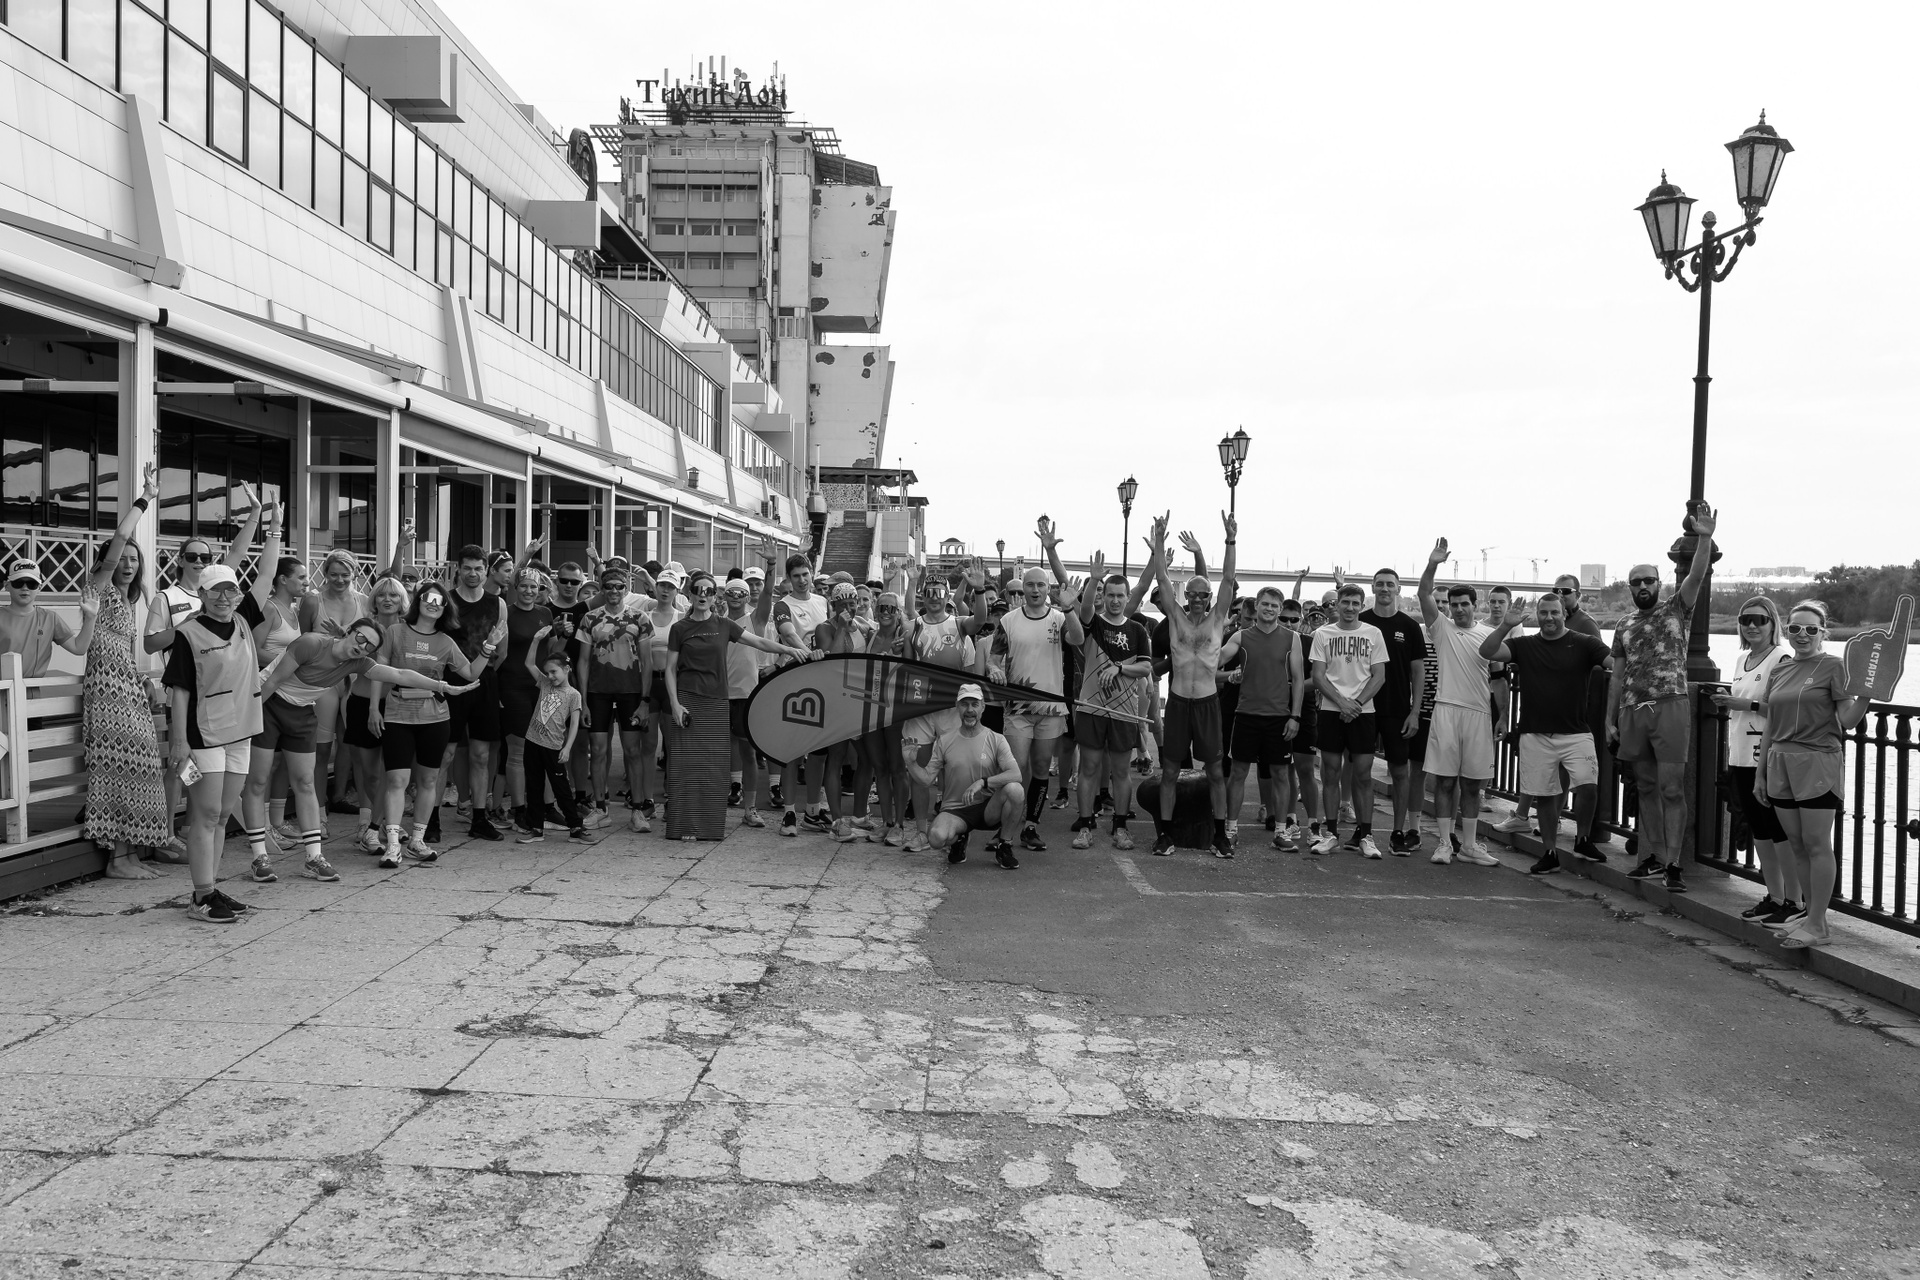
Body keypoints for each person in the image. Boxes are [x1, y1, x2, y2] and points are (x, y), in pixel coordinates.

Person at [251, 616, 474, 876]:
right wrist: (248, 721)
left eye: (369, 646)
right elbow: (272, 682)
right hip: (267, 704)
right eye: (360, 638)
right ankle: (259, 858)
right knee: (258, 781)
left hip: (301, 713)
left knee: (305, 782)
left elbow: (400, 674)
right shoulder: (311, 643)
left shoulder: (358, 663)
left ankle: (313, 858)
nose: (362, 646)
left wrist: (442, 686)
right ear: (349, 631)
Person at [1606, 502, 1716, 892]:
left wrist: (1704, 538)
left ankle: (1673, 863)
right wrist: (1609, 719)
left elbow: (1698, 574)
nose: (1643, 587)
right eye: (1636, 582)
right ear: (1630, 587)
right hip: (1633, 710)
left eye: (1648, 581)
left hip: (1670, 706)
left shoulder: (1677, 609)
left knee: (1671, 788)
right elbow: (1617, 675)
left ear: (1659, 583)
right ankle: (1652, 857)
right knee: (1647, 786)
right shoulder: (1624, 624)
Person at [1753, 600, 1871, 949]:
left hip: (1818, 762)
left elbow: (1847, 720)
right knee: (1797, 844)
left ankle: (1818, 923)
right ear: (1786, 630)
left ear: (1823, 633)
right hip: (1780, 762)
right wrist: (1761, 774)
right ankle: (1809, 916)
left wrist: (1867, 695)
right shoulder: (1781, 669)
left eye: (1810, 629)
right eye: (1795, 628)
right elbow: (1771, 724)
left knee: (1817, 844)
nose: (1802, 635)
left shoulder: (1834, 666)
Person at [662, 570, 806, 840]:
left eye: (708, 591)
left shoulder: (724, 624)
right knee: (685, 763)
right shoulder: (679, 628)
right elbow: (670, 668)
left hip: (718, 701)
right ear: (690, 594)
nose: (703, 595)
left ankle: (707, 827)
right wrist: (675, 704)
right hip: (688, 700)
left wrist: (787, 650)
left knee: (713, 766)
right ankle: (682, 824)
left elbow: (759, 641)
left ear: (714, 596)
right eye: (698, 590)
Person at [1480, 591, 1612, 875]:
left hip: (1576, 732)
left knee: (1588, 787)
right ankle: (1550, 853)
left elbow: (1613, 662)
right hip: (1535, 733)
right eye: (1544, 613)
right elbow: (1487, 652)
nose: (1549, 617)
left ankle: (1583, 840)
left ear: (1564, 614)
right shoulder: (1525, 644)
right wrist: (1505, 625)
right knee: (1545, 796)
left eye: (1554, 612)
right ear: (1537, 616)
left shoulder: (1585, 643)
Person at [81, 463, 169, 880]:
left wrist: (144, 680)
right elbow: (119, 536)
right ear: (108, 562)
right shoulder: (96, 587)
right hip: (104, 692)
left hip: (127, 690)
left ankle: (130, 854)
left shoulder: (129, 600)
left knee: (142, 767)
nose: (128, 564)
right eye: (123, 559)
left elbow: (126, 654)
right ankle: (116, 860)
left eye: (135, 559)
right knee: (117, 767)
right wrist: (146, 498)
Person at [162, 565, 263, 923]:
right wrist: (179, 742)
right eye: (215, 590)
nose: (224, 597)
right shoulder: (187, 633)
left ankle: (209, 889)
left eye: (230, 590)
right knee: (205, 816)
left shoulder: (242, 622)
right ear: (201, 595)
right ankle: (202, 897)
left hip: (240, 733)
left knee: (221, 815)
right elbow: (180, 691)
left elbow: (266, 574)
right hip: (203, 735)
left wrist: (273, 533)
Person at [987, 520, 1085, 853]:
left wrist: (1069, 607)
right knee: (1016, 768)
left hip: (1051, 707)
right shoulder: (1008, 621)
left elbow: (1078, 638)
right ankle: (1006, 826)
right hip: (1017, 707)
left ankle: (1030, 825)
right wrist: (994, 670)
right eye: (1029, 585)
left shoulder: (1059, 617)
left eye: (1041, 585)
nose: (1034, 590)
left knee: (1042, 767)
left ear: (1048, 589)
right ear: (1021, 590)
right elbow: (994, 658)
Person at [370, 582, 484, 863]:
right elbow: (378, 670)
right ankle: (393, 844)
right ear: (418, 601)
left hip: (435, 717)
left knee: (429, 779)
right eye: (428, 598)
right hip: (397, 714)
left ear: (445, 608)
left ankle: (417, 841)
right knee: (397, 779)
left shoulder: (446, 641)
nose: (433, 604)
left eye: (439, 601)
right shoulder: (395, 631)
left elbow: (470, 673)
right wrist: (374, 709)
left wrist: (489, 648)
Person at [1144, 511, 1236, 859]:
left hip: (1208, 704)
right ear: (1186, 596)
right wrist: (1159, 542)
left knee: (1215, 772)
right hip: (1180, 702)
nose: (1197, 599)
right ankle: (1165, 834)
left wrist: (1230, 540)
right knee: (1169, 770)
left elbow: (1228, 578)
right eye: (1193, 594)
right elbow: (1162, 579)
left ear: (1210, 597)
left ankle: (1219, 835)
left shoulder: (1217, 620)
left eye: (1203, 594)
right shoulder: (1175, 619)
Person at [1712, 597, 1797, 926]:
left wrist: (1743, 704)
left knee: (1778, 830)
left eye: (1760, 620)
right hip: (1741, 755)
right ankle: (1774, 896)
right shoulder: (1742, 659)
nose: (1751, 625)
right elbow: (1743, 701)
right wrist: (1730, 701)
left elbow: (1783, 710)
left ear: (1773, 624)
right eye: (1745, 619)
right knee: (1759, 830)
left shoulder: (1781, 659)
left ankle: (1794, 900)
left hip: (1767, 755)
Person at [1416, 541, 1496, 865]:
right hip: (1446, 710)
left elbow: (1500, 677)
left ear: (1475, 606)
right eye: (1454, 605)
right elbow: (1423, 593)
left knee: (1473, 785)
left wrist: (1503, 716)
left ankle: (1470, 846)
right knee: (1445, 782)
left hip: (1478, 713)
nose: (1459, 609)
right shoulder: (1441, 628)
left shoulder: (1489, 635)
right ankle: (1444, 843)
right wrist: (1432, 564)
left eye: (1464, 604)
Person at [1069, 551, 1155, 852]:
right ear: (1103, 596)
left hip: (1124, 712)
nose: (1115, 601)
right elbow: (1085, 607)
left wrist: (1119, 668)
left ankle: (1120, 827)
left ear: (1128, 597)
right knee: (1089, 769)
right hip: (1091, 708)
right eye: (1110, 595)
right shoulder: (1094, 623)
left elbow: (1145, 668)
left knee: (1121, 772)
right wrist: (1093, 580)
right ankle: (1085, 825)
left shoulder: (1137, 630)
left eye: (1120, 595)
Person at [1218, 586, 1304, 853]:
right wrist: (1211, 635)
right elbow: (1217, 658)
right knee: (1238, 773)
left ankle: (1280, 831)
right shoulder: (1241, 636)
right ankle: (1230, 830)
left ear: (1280, 609)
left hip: (1279, 718)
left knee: (1280, 774)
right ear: (1256, 606)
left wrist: (1295, 716)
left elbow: (1298, 680)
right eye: (1265, 604)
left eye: (1274, 605)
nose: (1269, 609)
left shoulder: (1292, 638)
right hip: (1246, 715)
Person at [907, 683, 1026, 870]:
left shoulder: (996, 739)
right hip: (956, 810)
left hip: (988, 808)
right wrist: (911, 763)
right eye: (964, 704)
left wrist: (983, 782)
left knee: (1015, 790)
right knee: (936, 838)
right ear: (957, 707)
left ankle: (1005, 845)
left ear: (983, 707)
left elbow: (1016, 774)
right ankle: (960, 837)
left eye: (974, 704)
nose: (969, 710)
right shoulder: (945, 740)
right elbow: (926, 779)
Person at [1309, 583, 1388, 857]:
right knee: (1330, 773)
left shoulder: (1373, 633)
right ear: (1338, 603)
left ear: (1362, 605)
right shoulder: (1323, 634)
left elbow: (1379, 676)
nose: (1350, 607)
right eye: (1345, 602)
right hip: (1332, 711)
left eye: (1355, 603)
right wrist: (1342, 702)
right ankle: (1331, 834)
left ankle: (1366, 836)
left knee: (1363, 775)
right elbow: (1318, 676)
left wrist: (1356, 704)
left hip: (1363, 713)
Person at [578, 564, 654, 832]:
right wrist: (583, 702)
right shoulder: (590, 618)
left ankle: (638, 810)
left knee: (633, 751)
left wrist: (645, 701)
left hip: (630, 692)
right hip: (597, 692)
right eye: (608, 586)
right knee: (598, 751)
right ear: (602, 589)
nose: (613, 591)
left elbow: (647, 661)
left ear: (626, 588)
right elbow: (583, 662)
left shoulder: (639, 618)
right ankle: (601, 808)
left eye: (619, 586)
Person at [299, 547, 373, 818]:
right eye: (333, 574)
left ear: (355, 574)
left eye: (345, 575)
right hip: (323, 682)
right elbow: (301, 642)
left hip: (354, 681)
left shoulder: (365, 601)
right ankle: (318, 815)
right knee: (321, 750)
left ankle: (357, 812)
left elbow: (372, 643)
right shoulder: (312, 601)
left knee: (355, 749)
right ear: (325, 574)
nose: (339, 580)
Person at [340, 575, 411, 852]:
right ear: (374, 599)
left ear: (402, 601)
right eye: (382, 594)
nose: (387, 599)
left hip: (395, 707)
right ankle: (378, 820)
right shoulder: (364, 628)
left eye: (393, 595)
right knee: (370, 773)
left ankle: (381, 822)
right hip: (362, 704)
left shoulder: (408, 630)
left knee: (392, 773)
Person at [1361, 569, 1429, 853]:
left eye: (1390, 584)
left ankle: (1398, 832)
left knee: (1400, 772)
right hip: (1364, 708)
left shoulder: (1410, 626)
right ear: (1372, 588)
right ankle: (1363, 831)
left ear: (1399, 589)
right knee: (1361, 771)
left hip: (1398, 710)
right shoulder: (1361, 621)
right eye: (1380, 584)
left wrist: (1415, 712)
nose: (1385, 589)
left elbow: (1418, 672)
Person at [445, 545, 508, 839]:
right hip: (451, 683)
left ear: (486, 571)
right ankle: (430, 821)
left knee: (481, 755)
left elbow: (502, 651)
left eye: (478, 568)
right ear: (459, 569)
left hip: (485, 683)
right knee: (446, 753)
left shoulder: (498, 604)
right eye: (467, 568)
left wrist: (484, 672)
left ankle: (479, 819)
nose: (473, 573)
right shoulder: (446, 600)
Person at [772, 553, 831, 835]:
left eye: (805, 574)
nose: (802, 580)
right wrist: (810, 655)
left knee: (819, 750)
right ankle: (789, 813)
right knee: (793, 750)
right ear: (789, 578)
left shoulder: (822, 602)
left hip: (822, 681)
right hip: (794, 679)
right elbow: (789, 635)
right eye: (796, 576)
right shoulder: (783, 605)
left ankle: (813, 811)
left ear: (811, 573)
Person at [498, 567, 555, 836]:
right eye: (524, 586)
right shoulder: (506, 613)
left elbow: (551, 650)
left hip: (540, 688)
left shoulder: (545, 614)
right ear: (516, 587)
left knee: (545, 748)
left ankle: (546, 806)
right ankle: (518, 809)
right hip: (512, 686)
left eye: (534, 586)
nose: (529, 591)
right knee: (518, 750)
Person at [513, 650, 590, 845]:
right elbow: (529, 664)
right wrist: (536, 641)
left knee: (561, 789)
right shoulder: (545, 683)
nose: (550, 676)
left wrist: (567, 747)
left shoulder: (574, 695)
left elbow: (574, 723)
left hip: (554, 747)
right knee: (534, 787)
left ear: (567, 669)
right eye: (547, 672)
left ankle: (576, 828)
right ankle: (536, 828)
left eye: (554, 671)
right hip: (532, 742)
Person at [546, 561, 594, 810]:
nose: (568, 585)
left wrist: (596, 561)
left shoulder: (586, 608)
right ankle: (555, 797)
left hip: (580, 682)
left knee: (581, 743)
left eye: (574, 582)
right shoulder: (546, 609)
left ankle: (580, 795)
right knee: (554, 742)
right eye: (564, 580)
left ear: (581, 583)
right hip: (552, 683)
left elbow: (616, 588)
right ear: (556, 581)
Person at [0, 561, 97, 677]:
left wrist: (90, 617)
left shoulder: (50, 618)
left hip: (33, 688)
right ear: (7, 585)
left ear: (39, 587)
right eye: (18, 583)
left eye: (32, 584)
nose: (25, 588)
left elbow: (78, 648)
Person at [1280, 595, 1322, 849]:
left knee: (1306, 769)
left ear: (1301, 620)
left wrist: (1290, 687)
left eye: (1294, 620)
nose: (1288, 623)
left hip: (1304, 710)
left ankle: (1314, 824)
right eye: (1283, 619)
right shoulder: (1270, 641)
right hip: (1276, 710)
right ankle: (1290, 820)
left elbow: (1317, 678)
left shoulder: (1310, 642)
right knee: (1285, 769)